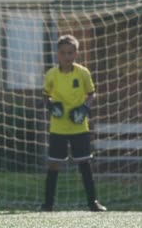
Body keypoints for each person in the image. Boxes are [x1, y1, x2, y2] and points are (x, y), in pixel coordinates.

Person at [39, 34, 106, 212]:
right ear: (57, 54)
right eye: (63, 53)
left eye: (70, 53)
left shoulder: (83, 73)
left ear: (76, 54)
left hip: (78, 127)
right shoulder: (51, 74)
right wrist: (51, 105)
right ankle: (48, 204)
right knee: (54, 164)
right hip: (58, 127)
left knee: (84, 163)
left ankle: (93, 203)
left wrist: (84, 108)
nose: (66, 56)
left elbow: (92, 93)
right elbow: (46, 95)